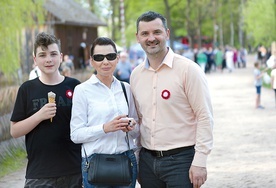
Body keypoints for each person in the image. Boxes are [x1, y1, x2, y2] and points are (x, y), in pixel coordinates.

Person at [130, 11, 214, 188]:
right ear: (138, 37)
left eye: (157, 32)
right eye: (145, 33)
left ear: (167, 33)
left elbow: (205, 116)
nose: (151, 38)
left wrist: (200, 160)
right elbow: (139, 120)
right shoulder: (136, 75)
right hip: (147, 162)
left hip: (181, 162)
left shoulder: (189, 70)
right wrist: (137, 159)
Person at [10, 32, 82, 187]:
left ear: (61, 57)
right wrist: (39, 116)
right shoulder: (27, 89)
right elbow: (14, 131)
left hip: (74, 171)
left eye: (53, 54)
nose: (48, 59)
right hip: (39, 174)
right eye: (42, 55)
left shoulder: (75, 86)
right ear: (35, 60)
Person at [70, 37, 140, 188]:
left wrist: (132, 126)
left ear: (117, 58)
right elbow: (75, 135)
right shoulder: (82, 90)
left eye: (110, 56)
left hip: (125, 161)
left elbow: (137, 131)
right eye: (99, 57)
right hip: (96, 164)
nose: (105, 61)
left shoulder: (125, 88)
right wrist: (105, 128)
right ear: (92, 61)